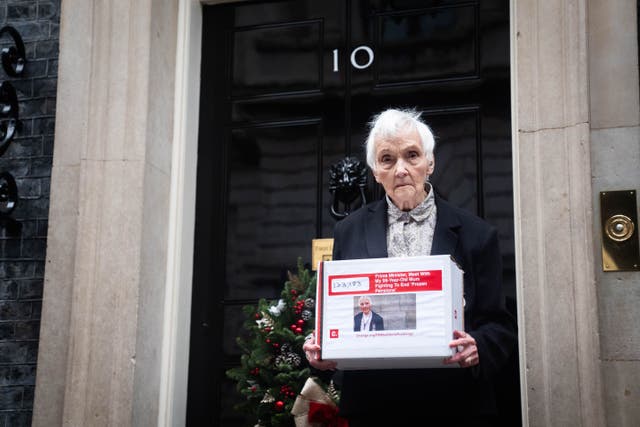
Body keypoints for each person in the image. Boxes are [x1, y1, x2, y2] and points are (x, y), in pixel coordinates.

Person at [303, 108, 516, 426]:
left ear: (430, 163)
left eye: (412, 155)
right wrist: (322, 348)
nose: (401, 169)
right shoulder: (348, 230)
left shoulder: (477, 235)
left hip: (454, 404)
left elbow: (499, 327)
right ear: (376, 171)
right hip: (372, 405)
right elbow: (341, 314)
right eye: (387, 159)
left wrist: (479, 348)